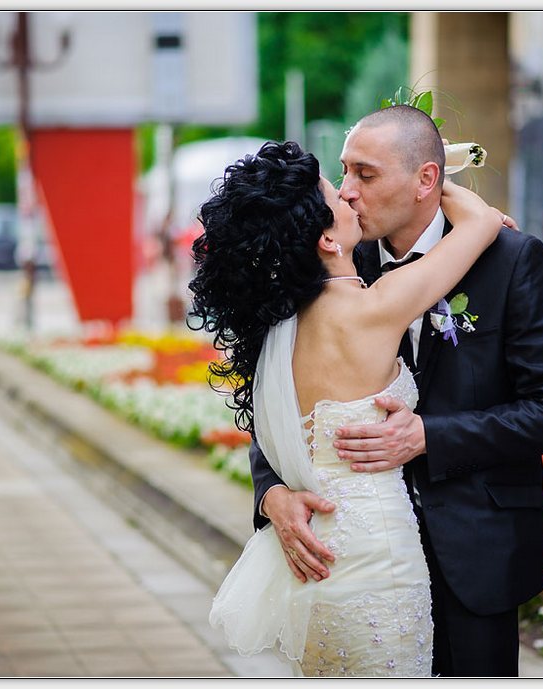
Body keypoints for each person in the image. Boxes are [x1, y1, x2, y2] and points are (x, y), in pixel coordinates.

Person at [251, 105, 543, 677]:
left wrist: (429, 435)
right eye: (344, 172)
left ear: (426, 179)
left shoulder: (510, 260)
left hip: (476, 551)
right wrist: (271, 493)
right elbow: (277, 395)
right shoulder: (329, 257)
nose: (348, 191)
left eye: (366, 174)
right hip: (355, 557)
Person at [188, 139, 505, 677]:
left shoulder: (278, 327)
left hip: (314, 561)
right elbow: (482, 221)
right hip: (377, 557)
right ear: (328, 238)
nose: (351, 196)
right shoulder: (374, 308)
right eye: (338, 195)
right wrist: (428, 171)